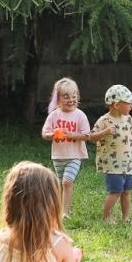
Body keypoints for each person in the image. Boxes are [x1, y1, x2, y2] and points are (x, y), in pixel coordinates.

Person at [89, 83, 132, 222]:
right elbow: (91, 137)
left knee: (126, 192)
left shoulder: (128, 119)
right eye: (128, 103)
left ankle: (126, 217)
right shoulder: (104, 121)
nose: (131, 105)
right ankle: (106, 216)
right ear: (116, 105)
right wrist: (105, 132)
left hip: (127, 164)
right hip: (112, 165)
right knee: (115, 192)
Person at [41, 78, 92, 218]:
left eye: (74, 96)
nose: (71, 99)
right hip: (58, 156)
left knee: (67, 181)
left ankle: (64, 213)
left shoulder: (80, 115)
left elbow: (87, 135)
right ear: (58, 99)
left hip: (75, 155)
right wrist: (53, 135)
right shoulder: (54, 115)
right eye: (66, 97)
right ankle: (64, 209)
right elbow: (45, 134)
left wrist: (71, 135)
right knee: (60, 184)